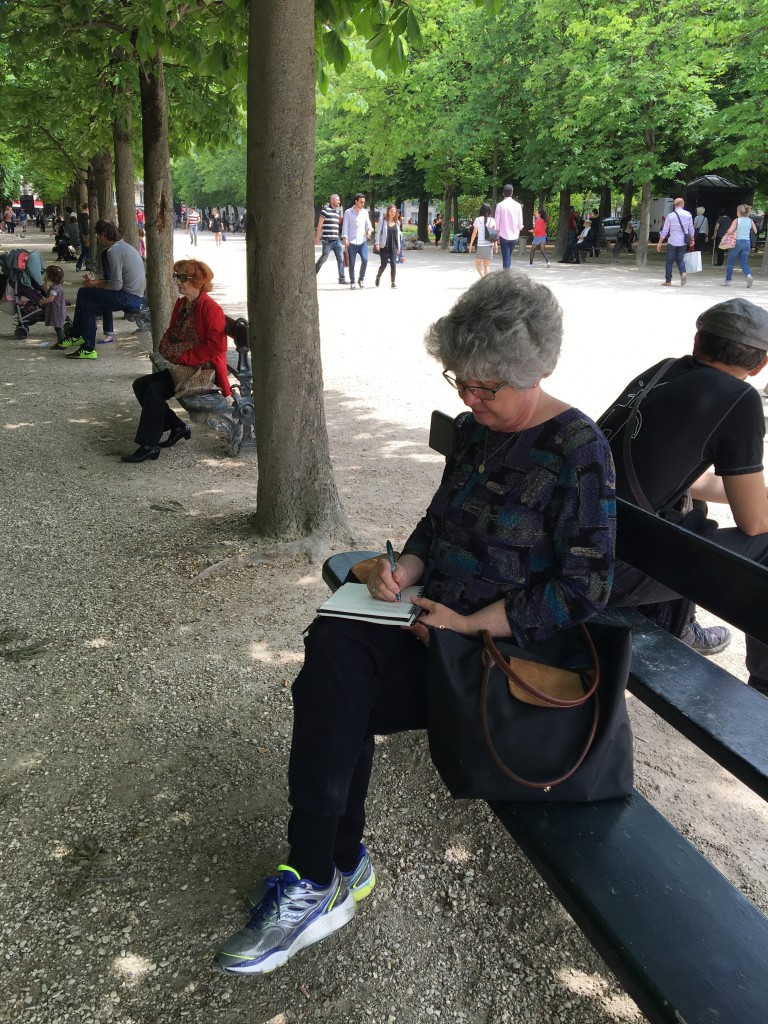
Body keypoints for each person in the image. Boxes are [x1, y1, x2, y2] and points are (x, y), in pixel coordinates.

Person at [213, 272, 616, 976]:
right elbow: (438, 525)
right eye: (458, 381)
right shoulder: (476, 433)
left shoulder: (578, 449)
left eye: (487, 387)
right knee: (334, 646)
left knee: (337, 687)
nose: (469, 399)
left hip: (504, 664)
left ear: (536, 370)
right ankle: (324, 869)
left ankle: (327, 871)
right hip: (434, 627)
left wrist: (470, 623)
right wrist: (403, 568)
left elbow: (586, 586)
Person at [598, 297, 768, 682]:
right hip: (607, 573)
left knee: (687, 511)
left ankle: (680, 624)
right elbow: (756, 523)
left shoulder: (664, 371)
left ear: (697, 341)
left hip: (581, 543)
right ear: (760, 365)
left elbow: (688, 480)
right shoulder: (739, 399)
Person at [122, 259, 231, 463]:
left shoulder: (210, 308)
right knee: (141, 385)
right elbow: (171, 332)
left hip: (204, 371)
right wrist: (168, 347)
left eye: (183, 278)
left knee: (154, 390)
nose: (178, 282)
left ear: (197, 281)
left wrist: (184, 356)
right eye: (177, 277)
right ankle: (177, 426)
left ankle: (149, 445)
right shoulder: (182, 304)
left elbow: (216, 347)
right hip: (186, 367)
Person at [58, 220, 146, 360]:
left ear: (104, 234)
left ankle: (87, 346)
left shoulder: (114, 251)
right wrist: (97, 283)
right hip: (133, 295)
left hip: (129, 297)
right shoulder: (123, 246)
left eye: (98, 235)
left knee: (87, 298)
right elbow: (117, 283)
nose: (97, 238)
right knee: (84, 293)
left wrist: (96, 284)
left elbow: (116, 285)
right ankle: (78, 336)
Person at [657, 197, 693, 287]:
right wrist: (692, 239)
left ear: (675, 205)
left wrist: (660, 242)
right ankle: (683, 272)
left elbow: (665, 230)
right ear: (682, 204)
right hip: (683, 242)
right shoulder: (688, 215)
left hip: (672, 241)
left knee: (669, 261)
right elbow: (691, 229)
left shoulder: (670, 216)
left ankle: (668, 281)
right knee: (680, 260)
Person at [341, 193, 372, 289]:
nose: (363, 204)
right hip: (351, 242)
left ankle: (361, 279)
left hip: (362, 241)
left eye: (364, 202)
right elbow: (345, 227)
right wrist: (345, 239)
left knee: (365, 260)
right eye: (361, 202)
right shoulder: (348, 212)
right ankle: (352, 281)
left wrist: (369, 231)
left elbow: (368, 225)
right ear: (356, 201)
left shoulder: (365, 212)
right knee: (352, 263)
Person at [723, 204, 757, 289]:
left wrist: (729, 231)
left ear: (739, 212)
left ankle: (728, 281)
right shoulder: (750, 221)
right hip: (747, 243)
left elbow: (730, 231)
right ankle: (748, 275)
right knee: (744, 262)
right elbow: (755, 231)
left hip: (737, 242)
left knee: (731, 262)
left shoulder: (737, 220)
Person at [314, 194, 346, 284]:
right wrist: (317, 238)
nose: (339, 202)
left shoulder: (337, 212)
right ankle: (313, 274)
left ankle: (342, 278)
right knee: (324, 258)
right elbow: (320, 224)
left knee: (340, 258)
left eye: (339, 200)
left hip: (336, 239)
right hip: (327, 240)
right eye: (337, 200)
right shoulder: (325, 210)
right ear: (332, 201)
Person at [493, 184, 524, 268]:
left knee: (506, 257)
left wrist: (497, 236)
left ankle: (506, 276)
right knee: (508, 256)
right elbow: (520, 223)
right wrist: (518, 234)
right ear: (512, 193)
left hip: (503, 235)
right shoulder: (518, 205)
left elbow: (496, 223)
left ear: (503, 193)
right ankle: (507, 274)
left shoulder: (500, 205)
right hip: (514, 235)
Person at [374, 204, 401, 289]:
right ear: (388, 212)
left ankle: (393, 282)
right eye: (391, 211)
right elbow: (378, 233)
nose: (393, 213)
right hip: (384, 246)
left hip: (393, 246)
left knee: (393, 263)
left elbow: (398, 236)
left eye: (394, 212)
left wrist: (399, 247)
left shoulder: (397, 222)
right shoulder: (382, 220)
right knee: (384, 265)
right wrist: (377, 243)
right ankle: (378, 276)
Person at [41, 265, 68, 349]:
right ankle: (61, 342)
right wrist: (45, 283)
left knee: (58, 328)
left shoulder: (54, 289)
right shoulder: (56, 287)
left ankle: (62, 343)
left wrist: (42, 301)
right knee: (58, 327)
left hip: (57, 310)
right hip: (58, 309)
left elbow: (50, 299)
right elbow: (47, 291)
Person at [468, 202, 497, 277]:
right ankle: (486, 280)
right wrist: (496, 245)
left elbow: (474, 233)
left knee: (478, 264)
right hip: (490, 244)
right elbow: (494, 234)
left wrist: (471, 244)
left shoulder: (478, 220)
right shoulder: (492, 220)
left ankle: (483, 278)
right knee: (486, 266)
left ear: (481, 210)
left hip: (481, 244)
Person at [75, 204, 90, 272]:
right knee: (87, 250)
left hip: (81, 235)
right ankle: (87, 265)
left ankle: (79, 265)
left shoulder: (80, 216)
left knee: (84, 250)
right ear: (87, 208)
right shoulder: (85, 216)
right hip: (85, 235)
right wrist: (87, 235)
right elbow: (85, 227)